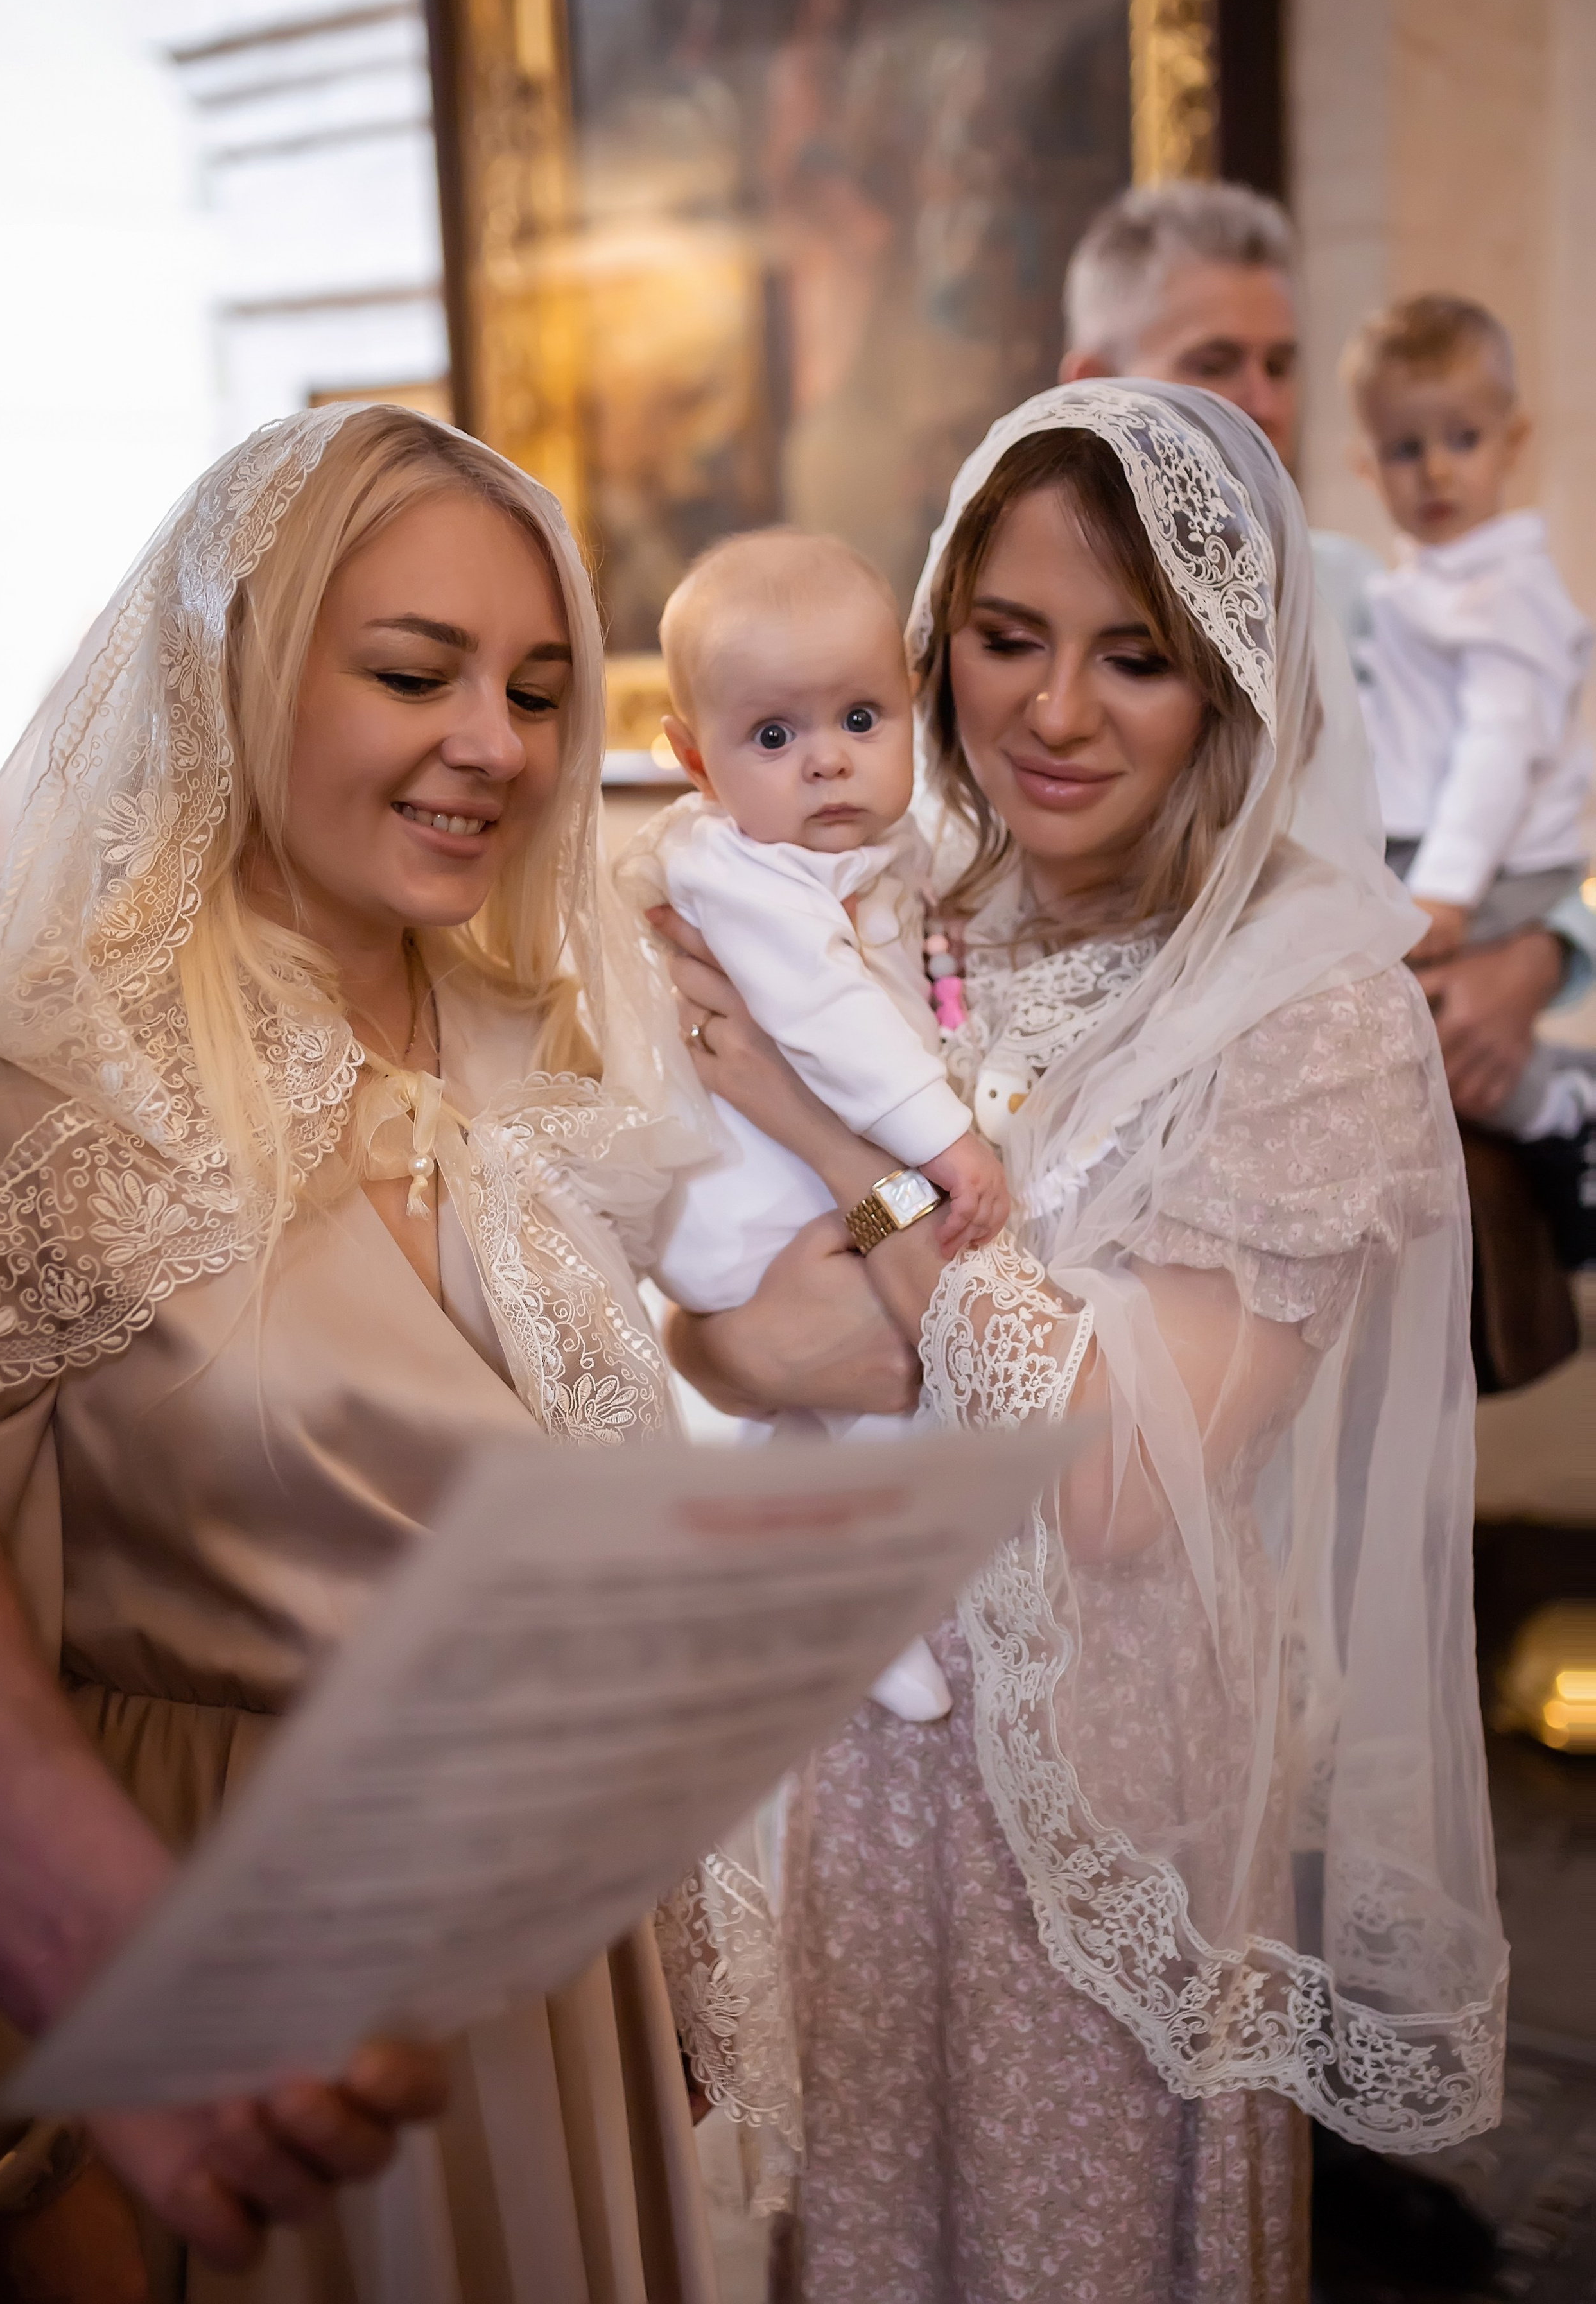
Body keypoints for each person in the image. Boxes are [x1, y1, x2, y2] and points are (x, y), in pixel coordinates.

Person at [658, 381, 1505, 2299]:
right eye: (1005, 637)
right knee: (861, 2222)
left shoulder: (1308, 1010)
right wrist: (835, 1320)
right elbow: (725, 1343)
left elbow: (1118, 1479)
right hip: (857, 1731)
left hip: (1108, 1781)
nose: (1053, 711)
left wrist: (830, 1146)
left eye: (1135, 656)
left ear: (1232, 684)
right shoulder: (879, 905)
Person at [0, 406, 727, 2301]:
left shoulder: (542, 1043)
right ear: (232, 675)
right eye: (412, 672)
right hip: (245, 1972)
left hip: (562, 1975)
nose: (498, 745)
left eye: (535, 691)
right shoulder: (31, 1101)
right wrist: (33, 2162)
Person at [1057, 178, 1595, 1129]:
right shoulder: (1029, 620)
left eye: (1282, 363)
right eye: (1218, 362)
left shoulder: (1361, 587)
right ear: (1094, 380)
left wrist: (1541, 956)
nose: (1264, 401)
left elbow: (1524, 776)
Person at [625, 528, 1008, 1727]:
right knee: (891, 1386)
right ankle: (852, 1605)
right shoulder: (740, 874)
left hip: (807, 1186)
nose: (829, 761)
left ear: (910, 706)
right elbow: (830, 1020)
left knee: (832, 1405)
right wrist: (948, 1144)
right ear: (697, 761)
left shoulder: (859, 852)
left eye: (859, 718)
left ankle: (778, 1567)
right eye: (774, 737)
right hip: (752, 1207)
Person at [1344, 291, 1596, 1139]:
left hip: (1492, 861)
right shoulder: (1425, 583)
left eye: (1463, 439)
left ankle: (1561, 1111)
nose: (1437, 472)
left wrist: (1444, 890)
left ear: (1513, 441)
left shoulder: (1507, 592)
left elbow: (1498, 749)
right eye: (1406, 449)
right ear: (1367, 467)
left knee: (1424, 1011)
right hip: (1437, 849)